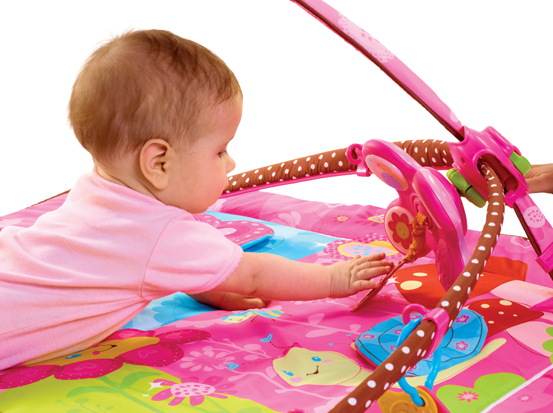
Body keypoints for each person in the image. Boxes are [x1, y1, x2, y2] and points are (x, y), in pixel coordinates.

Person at [0, 29, 392, 370]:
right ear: (159, 162)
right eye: (220, 151)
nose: (231, 162)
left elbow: (134, 264)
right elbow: (253, 274)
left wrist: (207, 283)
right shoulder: (162, 234)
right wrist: (334, 279)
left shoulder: (95, 188)